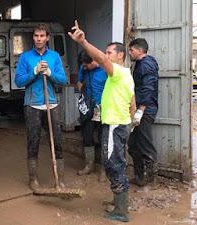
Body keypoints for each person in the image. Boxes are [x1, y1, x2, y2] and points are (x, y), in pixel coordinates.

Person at [69, 20, 136, 222]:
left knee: (113, 164)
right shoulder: (123, 76)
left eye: (109, 53)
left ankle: (121, 211)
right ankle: (119, 202)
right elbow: (133, 101)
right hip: (119, 124)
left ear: (120, 56)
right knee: (116, 162)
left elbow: (101, 60)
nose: (106, 56)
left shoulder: (118, 72)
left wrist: (83, 42)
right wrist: (130, 121)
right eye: (106, 53)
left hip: (115, 125)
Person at [15, 23, 68, 191]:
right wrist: (35, 72)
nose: (39, 39)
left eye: (42, 36)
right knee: (33, 141)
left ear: (47, 38)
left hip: (51, 104)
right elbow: (19, 81)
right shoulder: (25, 57)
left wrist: (50, 73)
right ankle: (33, 179)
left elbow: (63, 80)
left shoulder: (54, 57)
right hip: (32, 104)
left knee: (57, 141)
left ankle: (59, 179)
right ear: (33, 37)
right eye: (36, 36)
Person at [127, 38, 159, 190]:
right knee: (133, 145)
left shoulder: (146, 64)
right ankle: (140, 177)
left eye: (131, 50)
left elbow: (148, 88)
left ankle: (151, 181)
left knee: (145, 145)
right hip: (138, 109)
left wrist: (141, 110)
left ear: (140, 50)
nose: (130, 52)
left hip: (145, 110)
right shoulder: (139, 64)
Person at [76, 51, 108, 179]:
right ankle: (89, 165)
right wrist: (83, 93)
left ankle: (103, 170)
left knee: (103, 139)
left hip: (103, 108)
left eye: (86, 65)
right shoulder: (84, 67)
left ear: (94, 61)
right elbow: (79, 81)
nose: (83, 68)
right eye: (82, 65)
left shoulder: (106, 68)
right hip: (88, 108)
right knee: (87, 136)